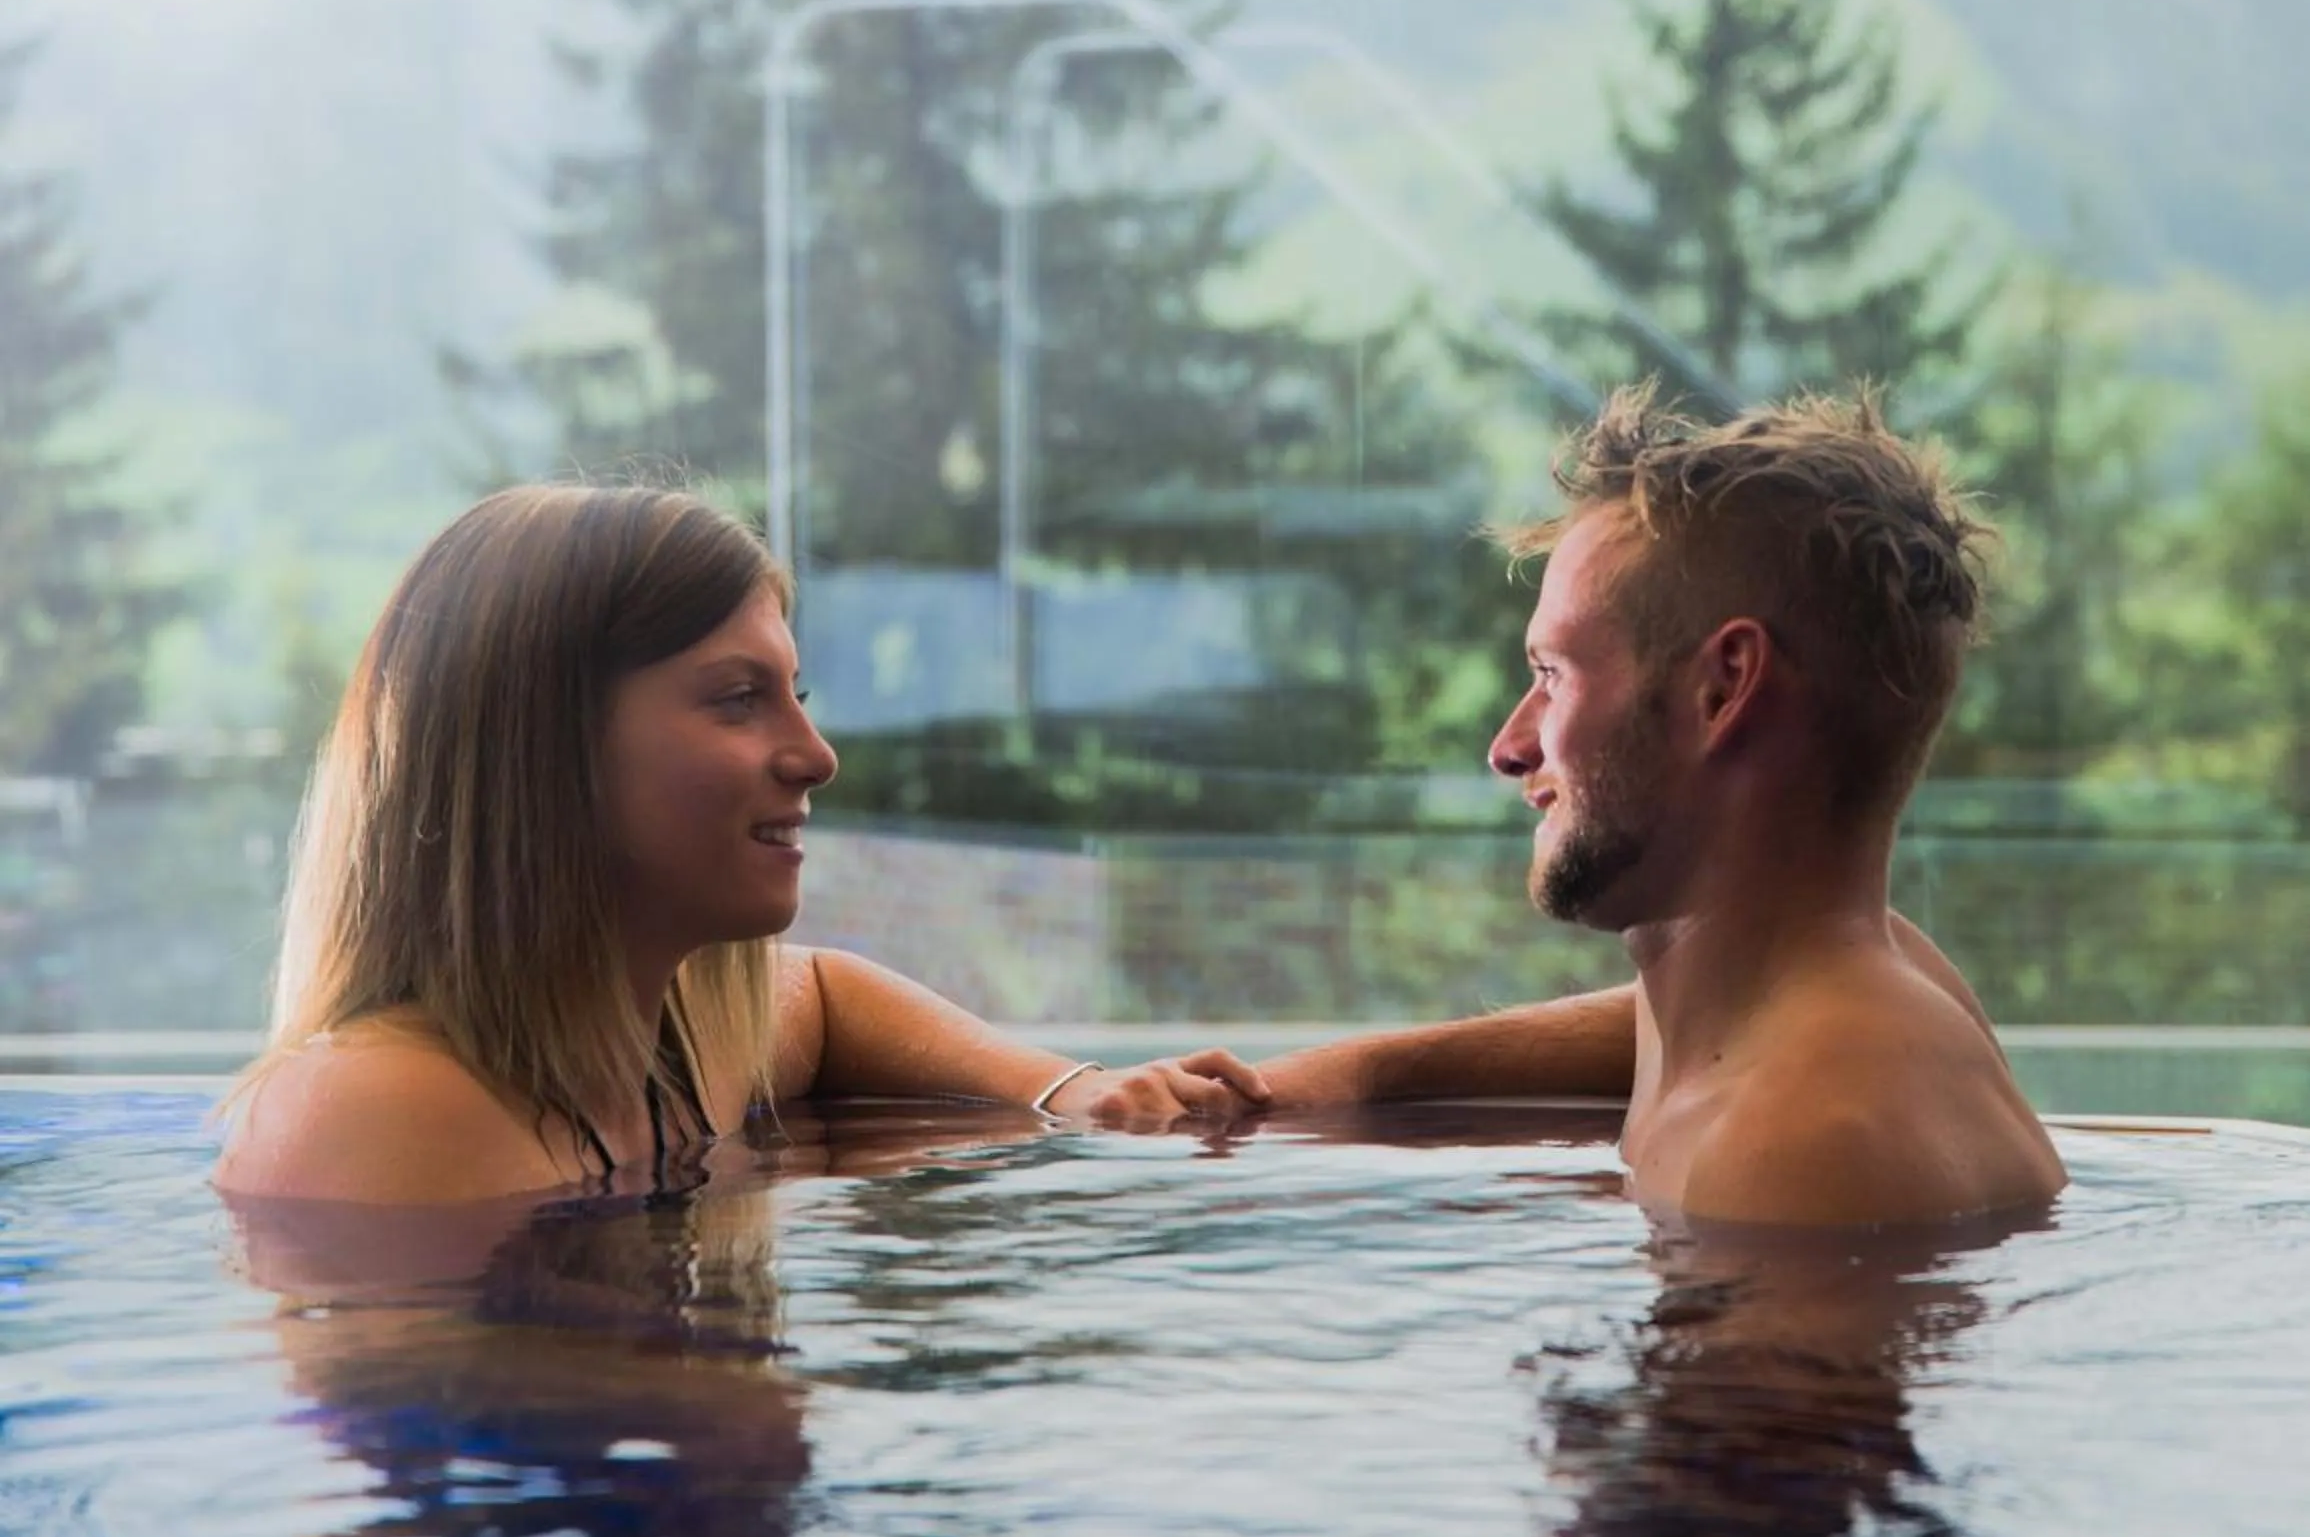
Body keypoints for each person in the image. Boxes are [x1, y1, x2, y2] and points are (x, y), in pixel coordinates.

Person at [214, 482, 1267, 1206]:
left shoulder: (672, 1050)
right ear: (541, 752)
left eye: (794, 696)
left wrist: (1062, 1089)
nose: (815, 757)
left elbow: (828, 998)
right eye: (737, 700)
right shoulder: (379, 1114)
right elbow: (383, 1520)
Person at [1257, 388, 2065, 1228]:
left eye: (1552, 676)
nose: (1508, 747)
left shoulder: (1801, 1152)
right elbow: (1646, 1031)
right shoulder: (1833, 979)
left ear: (1721, 689)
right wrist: (1323, 1083)